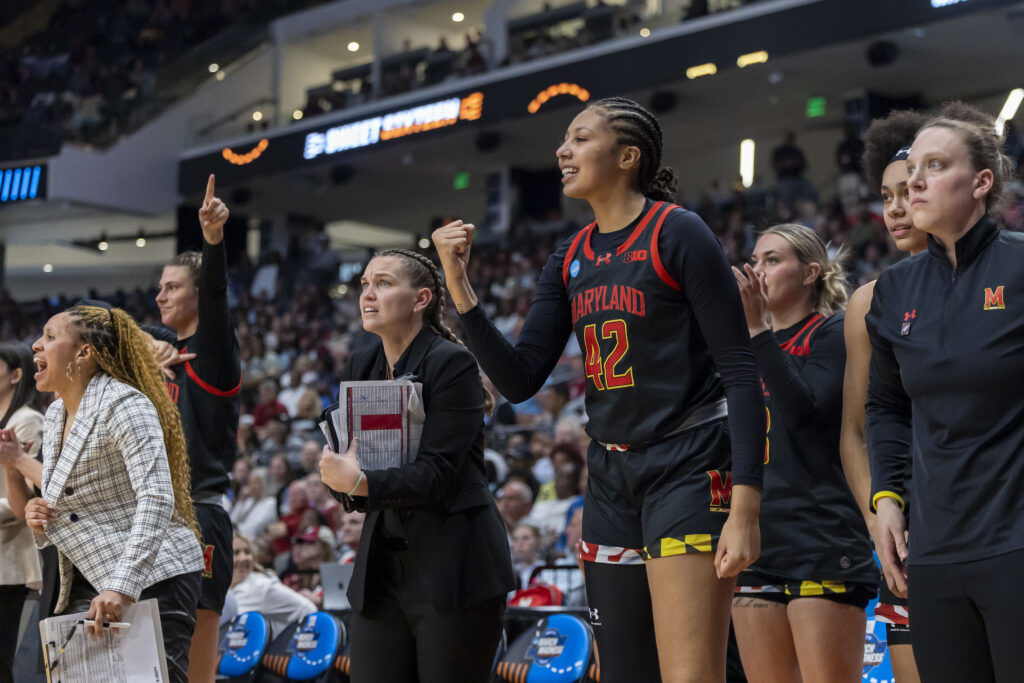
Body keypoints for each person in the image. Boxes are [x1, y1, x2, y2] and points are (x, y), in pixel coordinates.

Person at [433, 96, 764, 682]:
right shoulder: (569, 256)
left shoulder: (678, 232)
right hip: (610, 476)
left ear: (627, 156)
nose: (563, 150)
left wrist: (744, 508)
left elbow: (740, 372)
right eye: (566, 139)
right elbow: (518, 379)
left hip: (688, 463)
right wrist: (460, 290)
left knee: (690, 673)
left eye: (581, 138)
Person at [866, 101, 1024, 682]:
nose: (915, 181)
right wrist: (887, 499)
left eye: (935, 166)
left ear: (981, 182)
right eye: (913, 171)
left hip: (1017, 541)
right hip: (932, 552)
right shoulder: (893, 291)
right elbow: (884, 408)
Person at [318, 249, 516, 683]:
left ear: (421, 298)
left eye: (384, 283)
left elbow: (436, 473)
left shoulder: (451, 363)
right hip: (382, 574)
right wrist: (342, 480)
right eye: (366, 284)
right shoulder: (362, 364)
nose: (368, 294)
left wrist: (361, 481)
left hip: (455, 569)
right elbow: (349, 461)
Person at [19, 304, 205, 683]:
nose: (37, 345)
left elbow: (156, 498)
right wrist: (38, 512)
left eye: (50, 337)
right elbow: (72, 502)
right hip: (89, 574)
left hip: (153, 575)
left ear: (84, 353)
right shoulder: (55, 415)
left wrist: (122, 586)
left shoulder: (126, 404)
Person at [730, 224, 875, 682]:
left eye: (773, 260)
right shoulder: (745, 350)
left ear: (811, 272)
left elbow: (801, 412)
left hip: (821, 536)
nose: (758, 271)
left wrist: (756, 329)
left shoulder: (832, 332)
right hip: (759, 542)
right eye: (755, 260)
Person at [839, 110, 929, 683]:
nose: (894, 209)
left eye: (908, 193)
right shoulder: (869, 302)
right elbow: (855, 431)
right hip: (906, 518)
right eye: (885, 196)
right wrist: (880, 516)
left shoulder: (1002, 276)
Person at [150, 175, 241, 683]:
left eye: (172, 287)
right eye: (159, 287)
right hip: (148, 516)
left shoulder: (214, 358)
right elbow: (94, 326)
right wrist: (149, 344)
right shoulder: (153, 351)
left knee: (193, 664)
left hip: (197, 516)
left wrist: (213, 242)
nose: (160, 295)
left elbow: (217, 298)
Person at [0, 342, 44, 683]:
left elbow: (25, 496)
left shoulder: (27, 420)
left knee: (4, 661)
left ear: (16, 375)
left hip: (9, 558)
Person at [229, 533, 316, 636]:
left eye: (247, 552)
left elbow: (307, 609)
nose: (244, 558)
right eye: (236, 553)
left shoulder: (262, 586)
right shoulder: (221, 589)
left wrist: (281, 644)